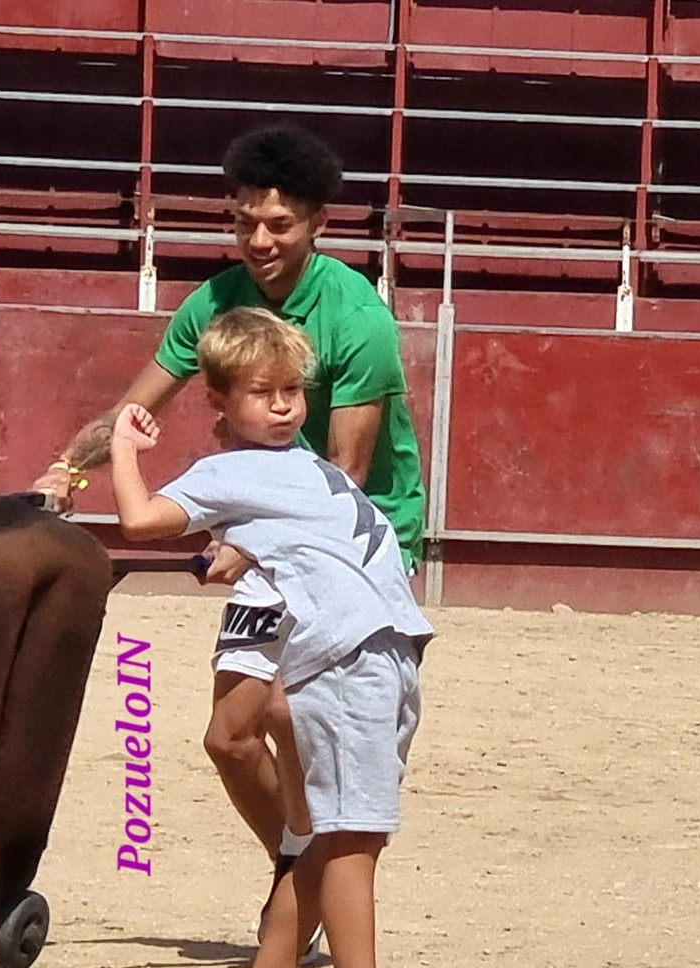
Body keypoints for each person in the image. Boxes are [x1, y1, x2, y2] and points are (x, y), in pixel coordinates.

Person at [32, 123, 427, 884]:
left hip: (360, 537)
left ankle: (318, 885)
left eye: (279, 224)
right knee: (230, 739)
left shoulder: (359, 318)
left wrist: (251, 545)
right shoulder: (215, 303)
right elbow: (131, 410)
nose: (259, 239)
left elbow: (343, 476)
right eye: (244, 221)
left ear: (318, 224)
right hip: (262, 531)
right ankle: (299, 870)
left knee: (292, 714)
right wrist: (64, 472)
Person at [109, 306, 445, 968]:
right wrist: (126, 447)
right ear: (220, 402)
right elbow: (140, 518)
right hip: (347, 654)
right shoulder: (230, 472)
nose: (285, 404)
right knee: (349, 836)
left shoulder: (302, 469)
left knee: (333, 836)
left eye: (293, 389)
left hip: (382, 651)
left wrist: (232, 549)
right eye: (263, 392)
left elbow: (288, 537)